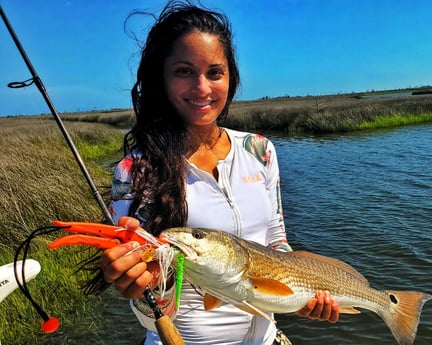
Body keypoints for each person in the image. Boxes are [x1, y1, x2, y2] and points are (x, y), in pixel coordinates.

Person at [99, 1, 339, 344]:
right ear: (161, 79)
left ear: (231, 77)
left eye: (214, 72)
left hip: (267, 337)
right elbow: (147, 304)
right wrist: (136, 282)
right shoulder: (134, 171)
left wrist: (297, 294)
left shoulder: (259, 150)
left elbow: (275, 239)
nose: (202, 88)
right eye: (184, 71)